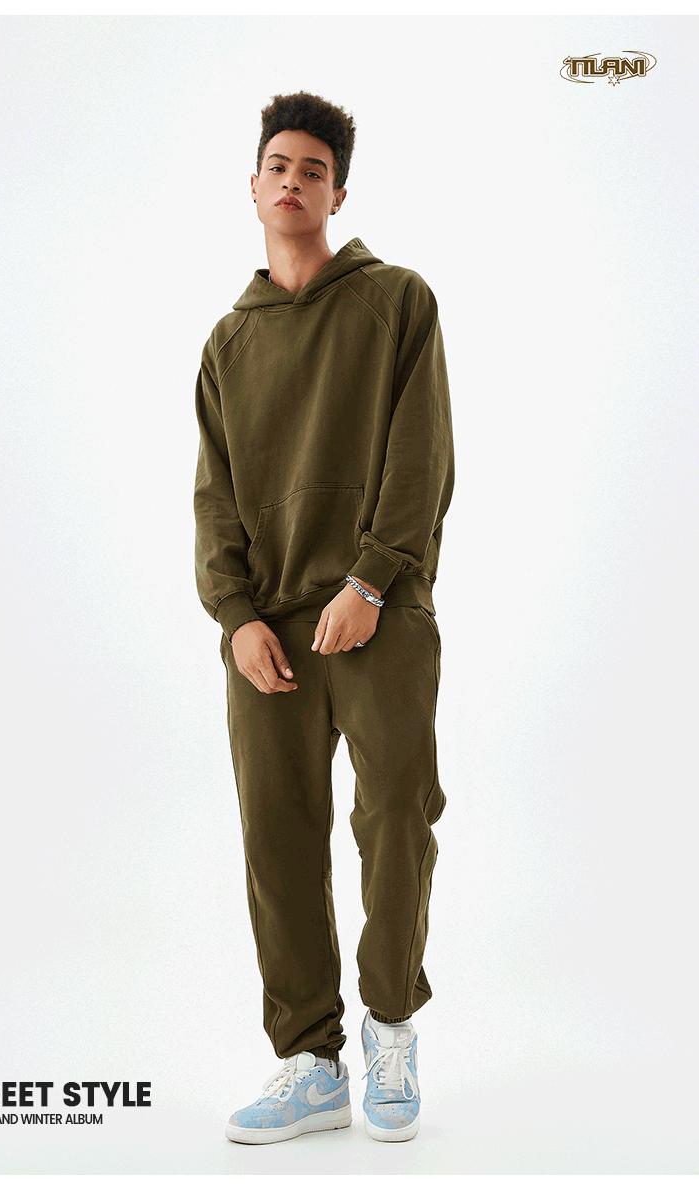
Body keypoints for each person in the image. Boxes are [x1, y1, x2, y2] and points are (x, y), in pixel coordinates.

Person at [193, 90, 455, 1145]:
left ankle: (391, 1027)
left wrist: (372, 581)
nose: (294, 181)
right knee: (278, 835)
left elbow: (421, 453)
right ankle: (309, 1060)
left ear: (338, 192)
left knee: (396, 816)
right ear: (254, 187)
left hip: (378, 615)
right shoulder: (228, 341)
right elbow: (214, 496)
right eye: (279, 165)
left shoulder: (396, 301)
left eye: (314, 168)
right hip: (267, 634)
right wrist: (234, 615)